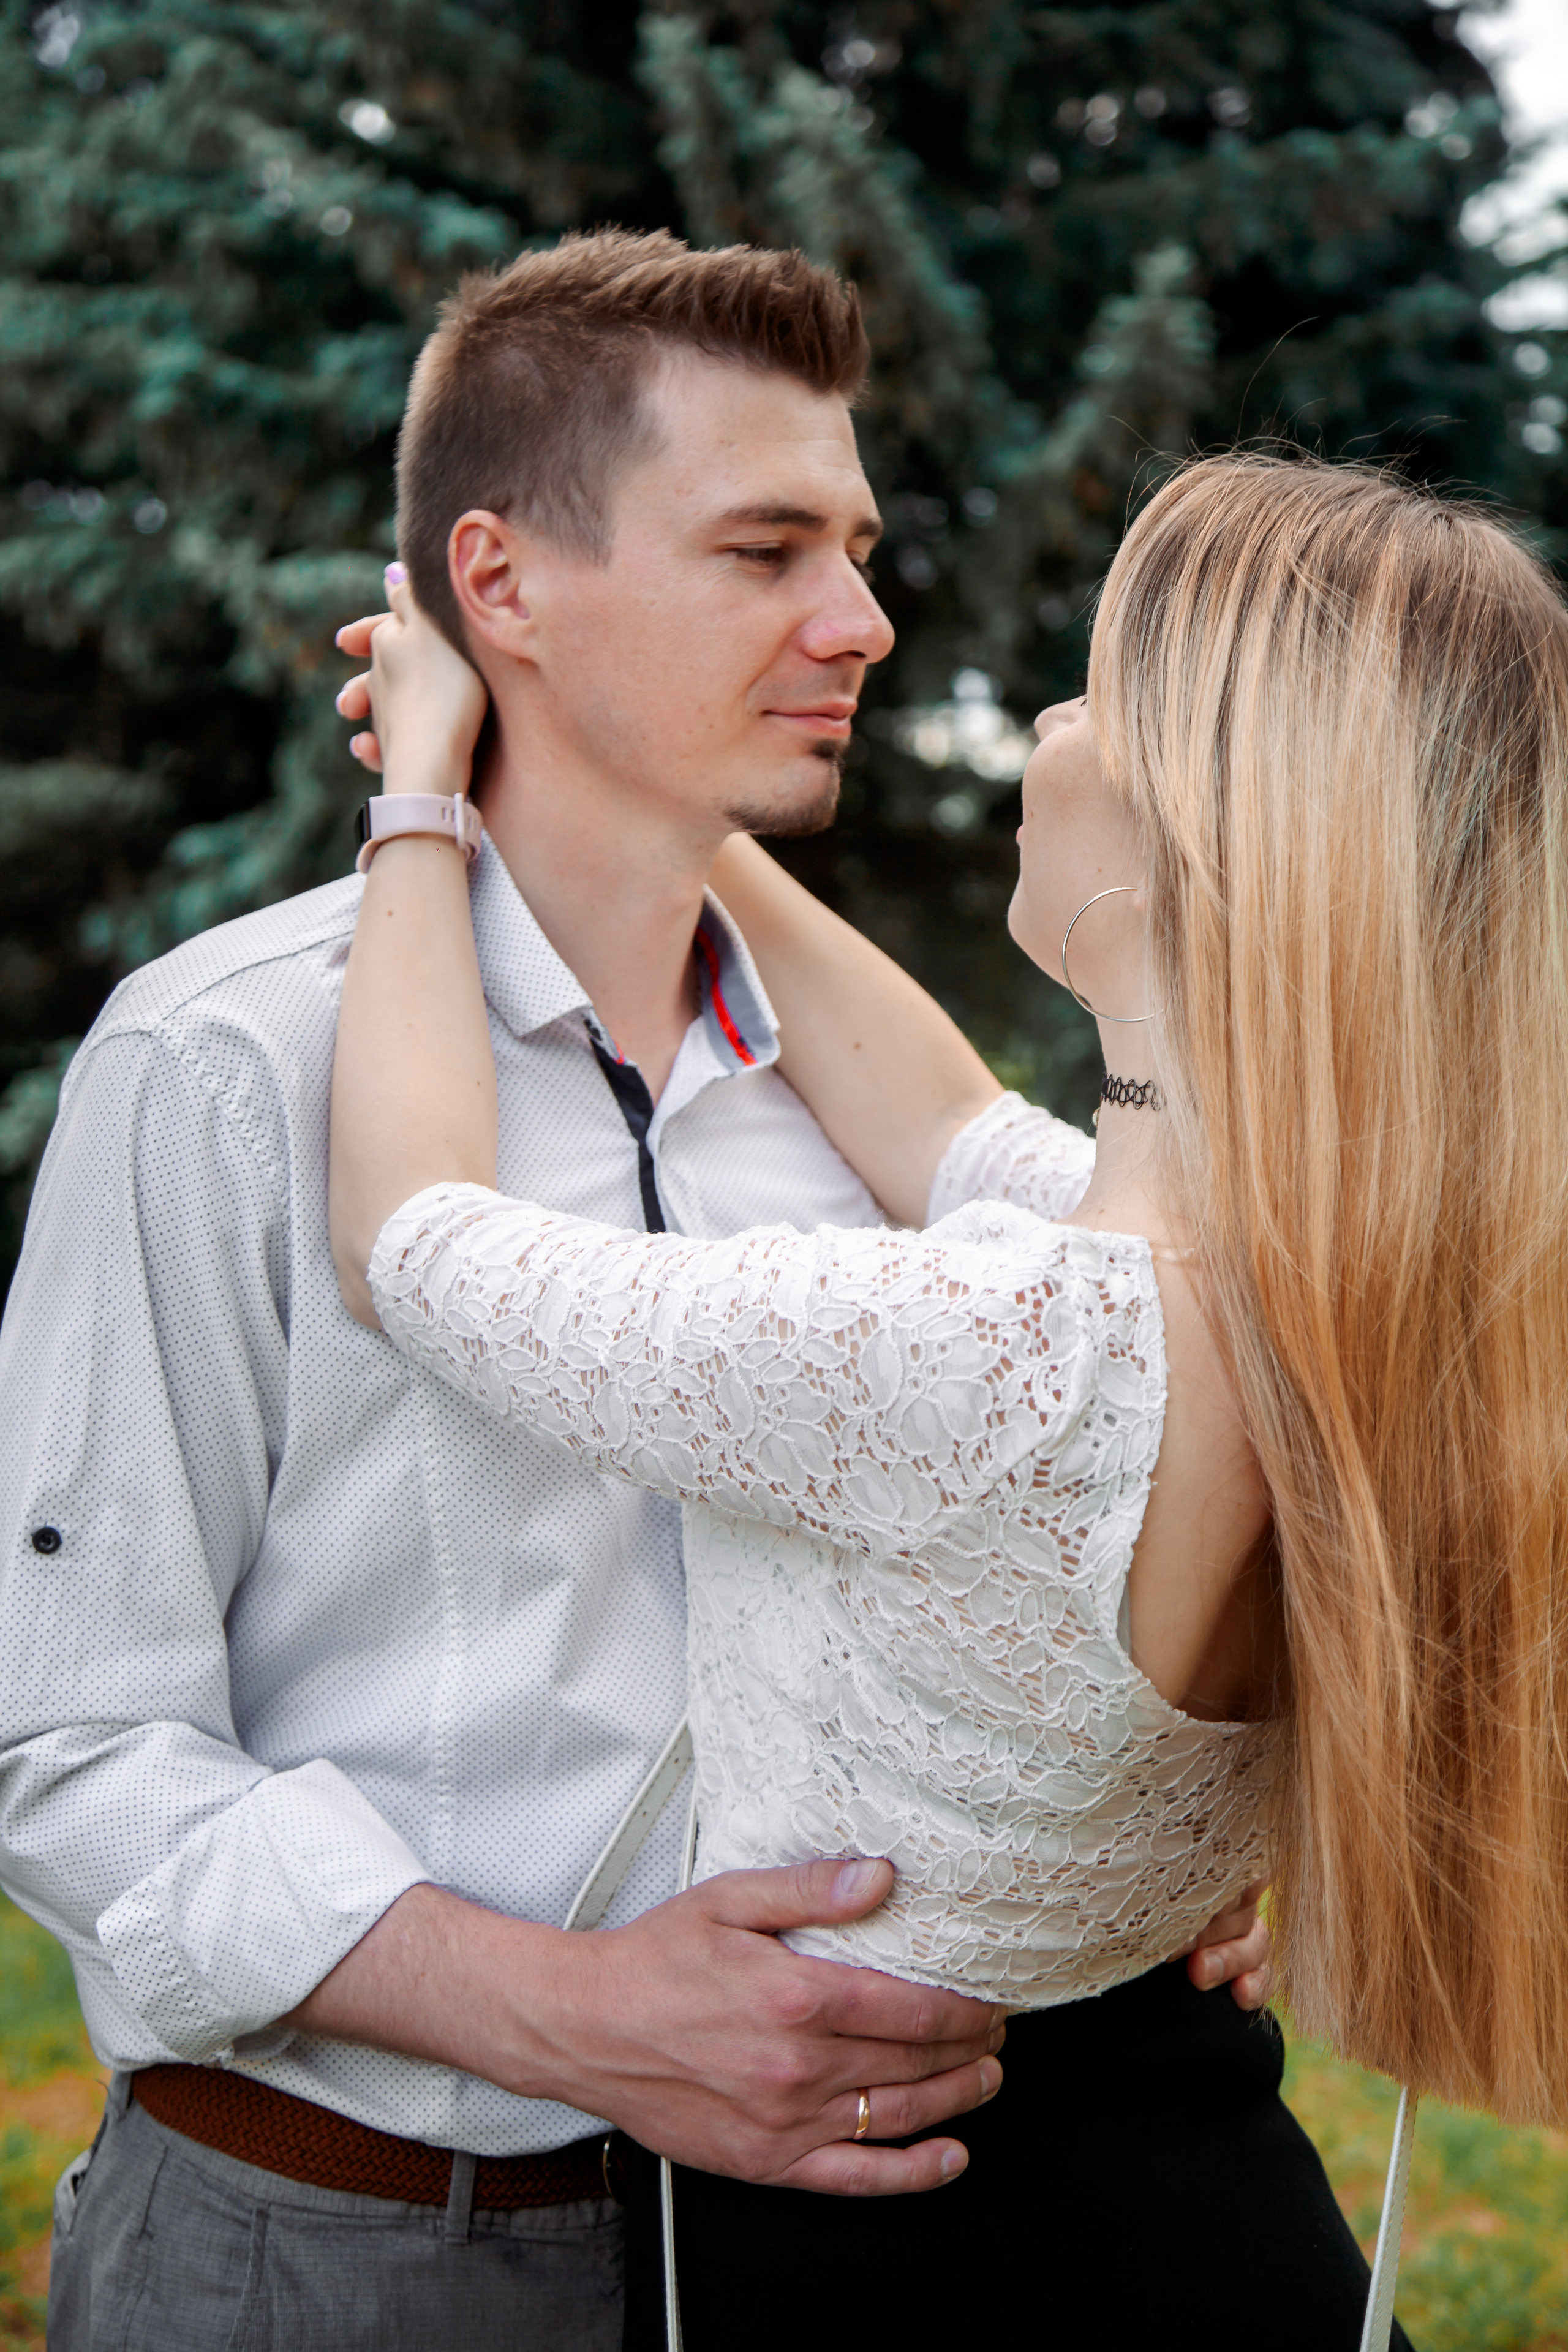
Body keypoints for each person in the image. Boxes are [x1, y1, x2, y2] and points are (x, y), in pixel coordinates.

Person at [0, 231, 1265, 2352]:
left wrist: (1145, 1839)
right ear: (498, 586)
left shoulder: (875, 1113)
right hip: (344, 2257)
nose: (861, 621)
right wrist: (566, 2015)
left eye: (856, 547)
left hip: (852, 2257)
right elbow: (64, 1741)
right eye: (765, 547)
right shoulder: (225, 1064)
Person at [326, 446, 1568, 2348]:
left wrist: (423, 795)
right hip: (1206, 2222)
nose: (1050, 723)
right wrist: (650, 772)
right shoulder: (1346, 1297)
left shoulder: (970, 1355)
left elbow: (412, 1243)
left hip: (908, 2265)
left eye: (1099, 686)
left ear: (1187, 838)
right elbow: (953, 1128)